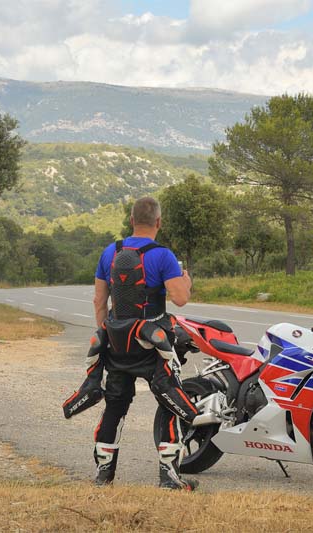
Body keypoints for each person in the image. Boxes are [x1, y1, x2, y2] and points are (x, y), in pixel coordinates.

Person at [91, 196, 199, 490]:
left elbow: (100, 301)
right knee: (169, 403)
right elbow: (180, 298)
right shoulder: (162, 255)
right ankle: (168, 477)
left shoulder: (109, 252)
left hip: (118, 343)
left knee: (115, 405)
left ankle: (103, 475)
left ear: (131, 220)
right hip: (154, 345)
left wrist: (107, 334)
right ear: (159, 223)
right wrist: (186, 282)